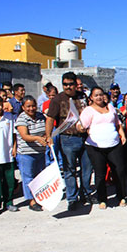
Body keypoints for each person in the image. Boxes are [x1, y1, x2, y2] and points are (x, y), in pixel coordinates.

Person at [45, 72, 93, 211]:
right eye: (65, 84)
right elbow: (50, 118)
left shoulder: (82, 96)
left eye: (70, 84)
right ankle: (72, 198)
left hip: (84, 138)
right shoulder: (58, 99)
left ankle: (86, 193)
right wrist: (48, 136)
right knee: (70, 169)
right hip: (68, 139)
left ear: (75, 84)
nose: (68, 87)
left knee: (87, 168)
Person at [77, 87, 127, 209]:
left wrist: (122, 134)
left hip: (113, 144)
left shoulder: (110, 107)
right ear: (91, 98)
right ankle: (102, 199)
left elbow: (117, 123)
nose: (99, 97)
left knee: (119, 171)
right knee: (100, 173)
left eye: (100, 95)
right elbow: (80, 125)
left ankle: (121, 196)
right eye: (96, 95)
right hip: (95, 146)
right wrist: (82, 128)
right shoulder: (88, 110)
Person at [15, 96, 48, 211]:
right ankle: (31, 200)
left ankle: (39, 196)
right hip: (27, 153)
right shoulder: (21, 119)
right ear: (23, 107)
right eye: (28, 106)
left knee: (39, 176)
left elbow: (45, 130)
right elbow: (24, 136)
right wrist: (38, 138)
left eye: (33, 106)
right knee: (28, 177)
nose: (31, 108)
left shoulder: (40, 116)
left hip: (40, 152)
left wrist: (45, 137)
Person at [0, 94, 17, 215]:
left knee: (9, 181)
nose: (1, 108)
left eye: (1, 105)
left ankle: (9, 202)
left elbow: (14, 135)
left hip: (7, 155)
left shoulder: (9, 117)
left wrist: (14, 148)